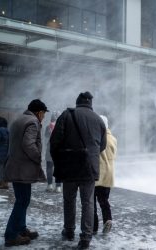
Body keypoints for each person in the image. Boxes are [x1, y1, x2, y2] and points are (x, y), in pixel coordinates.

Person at [50, 91, 106, 250]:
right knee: (88, 202)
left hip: (69, 166)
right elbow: (102, 146)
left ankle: (69, 231)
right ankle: (86, 237)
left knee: (69, 199)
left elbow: (55, 141)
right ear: (90, 104)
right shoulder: (98, 119)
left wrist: (59, 159)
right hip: (89, 167)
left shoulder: (67, 115)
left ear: (77, 102)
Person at [3, 99, 48, 247]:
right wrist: (37, 157)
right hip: (22, 169)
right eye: (43, 114)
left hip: (16, 167)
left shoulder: (19, 120)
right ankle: (11, 235)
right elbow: (28, 143)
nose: (44, 117)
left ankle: (21, 229)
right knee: (22, 201)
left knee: (23, 200)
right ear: (39, 112)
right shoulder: (32, 122)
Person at [94, 115, 117, 234]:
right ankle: (108, 219)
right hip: (108, 176)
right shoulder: (113, 139)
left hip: (97, 175)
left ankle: (93, 226)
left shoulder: (97, 138)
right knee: (104, 201)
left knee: (91, 202)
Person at [45, 112, 61, 192]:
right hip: (60, 150)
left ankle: (50, 185)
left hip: (50, 149)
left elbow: (46, 137)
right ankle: (58, 186)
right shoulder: (62, 126)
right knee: (59, 168)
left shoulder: (48, 126)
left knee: (49, 168)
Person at [0, 116, 9, 189]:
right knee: (3, 167)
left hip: (0, 151)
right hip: (6, 151)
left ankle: (4, 183)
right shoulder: (7, 130)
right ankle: (2, 181)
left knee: (1, 167)